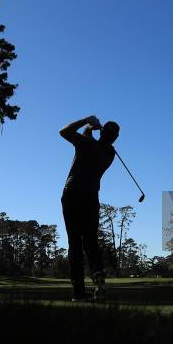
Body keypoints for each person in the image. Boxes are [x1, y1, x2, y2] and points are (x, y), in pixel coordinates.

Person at [59, 115, 119, 301]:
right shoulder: (110, 154)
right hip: (91, 197)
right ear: (115, 138)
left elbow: (64, 131)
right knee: (91, 242)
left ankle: (78, 291)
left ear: (102, 132)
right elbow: (95, 143)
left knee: (75, 243)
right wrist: (94, 129)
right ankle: (99, 287)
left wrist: (87, 121)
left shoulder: (86, 143)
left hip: (72, 193)